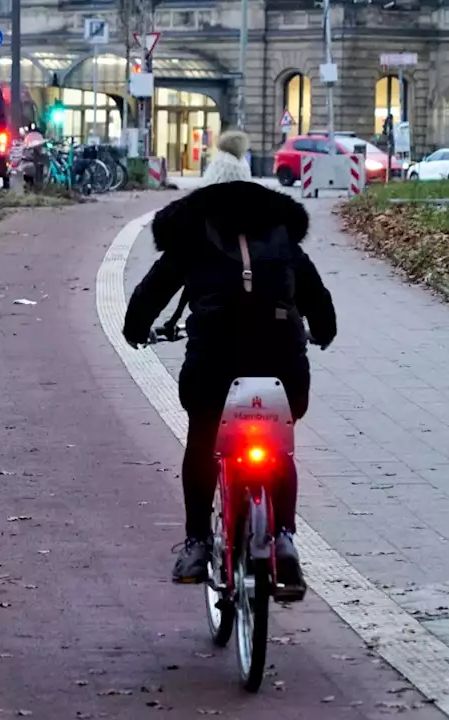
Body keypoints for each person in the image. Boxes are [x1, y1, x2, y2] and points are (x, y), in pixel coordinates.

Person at [122, 181, 337, 596]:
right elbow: (316, 296)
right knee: (280, 446)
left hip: (214, 366)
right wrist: (324, 332)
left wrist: (135, 330)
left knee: (203, 441)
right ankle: (284, 539)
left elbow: (153, 290)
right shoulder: (284, 239)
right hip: (282, 367)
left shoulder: (191, 238)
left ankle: (198, 543)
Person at [157, 130, 255, 336]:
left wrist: (135, 326)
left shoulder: (194, 235)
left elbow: (158, 284)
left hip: (208, 339)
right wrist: (323, 329)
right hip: (267, 340)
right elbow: (309, 284)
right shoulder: (272, 232)